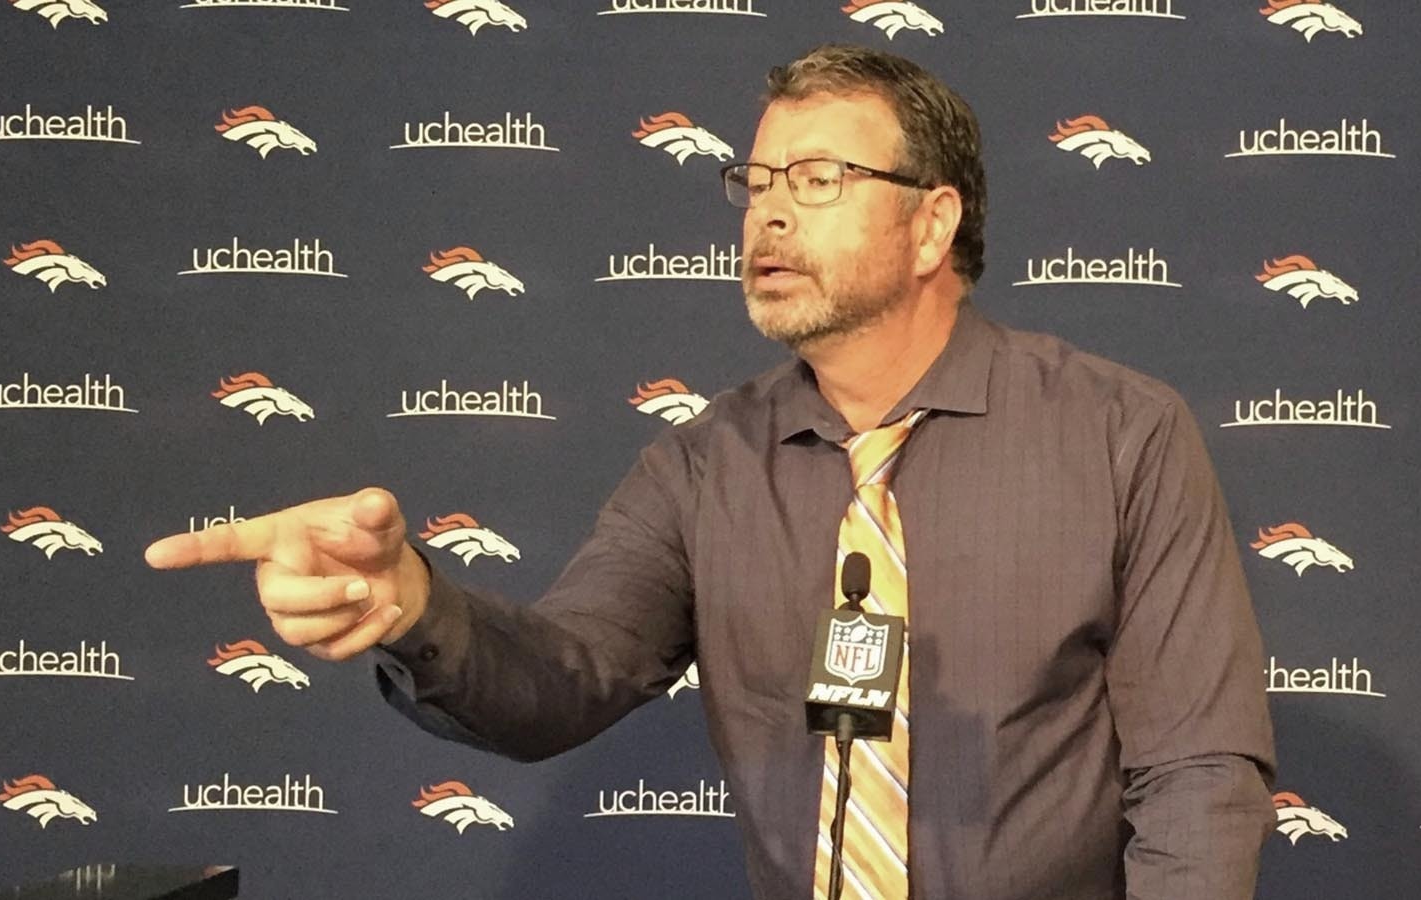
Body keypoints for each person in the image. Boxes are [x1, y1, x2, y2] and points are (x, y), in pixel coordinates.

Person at [146, 44, 1276, 900]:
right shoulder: (703, 466)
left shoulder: (1119, 433)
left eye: (821, 177)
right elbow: (564, 675)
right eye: (757, 179)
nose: (770, 210)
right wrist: (411, 608)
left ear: (933, 225)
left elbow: (1198, 774)